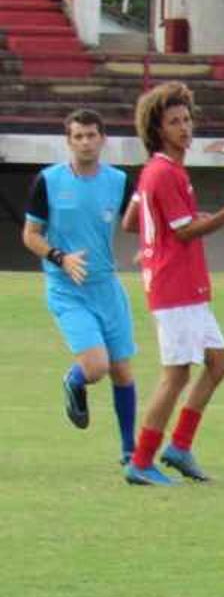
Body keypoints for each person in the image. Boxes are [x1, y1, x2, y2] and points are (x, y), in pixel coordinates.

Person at [123, 81, 224, 486]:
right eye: (174, 121)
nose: (185, 128)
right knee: (177, 374)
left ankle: (179, 447)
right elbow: (183, 233)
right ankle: (142, 460)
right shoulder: (165, 173)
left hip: (185, 286)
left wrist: (153, 244)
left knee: (218, 364)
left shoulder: (160, 171)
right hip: (176, 287)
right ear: (158, 128)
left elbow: (136, 222)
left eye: (186, 119)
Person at [22, 108, 141, 468]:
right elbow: (30, 235)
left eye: (92, 135)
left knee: (122, 370)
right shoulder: (49, 181)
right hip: (66, 288)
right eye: (78, 136)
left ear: (103, 139)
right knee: (96, 367)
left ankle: (129, 451)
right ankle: (74, 380)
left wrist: (150, 247)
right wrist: (61, 257)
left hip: (106, 286)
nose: (86, 142)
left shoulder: (119, 182)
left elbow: (140, 222)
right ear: (68, 142)